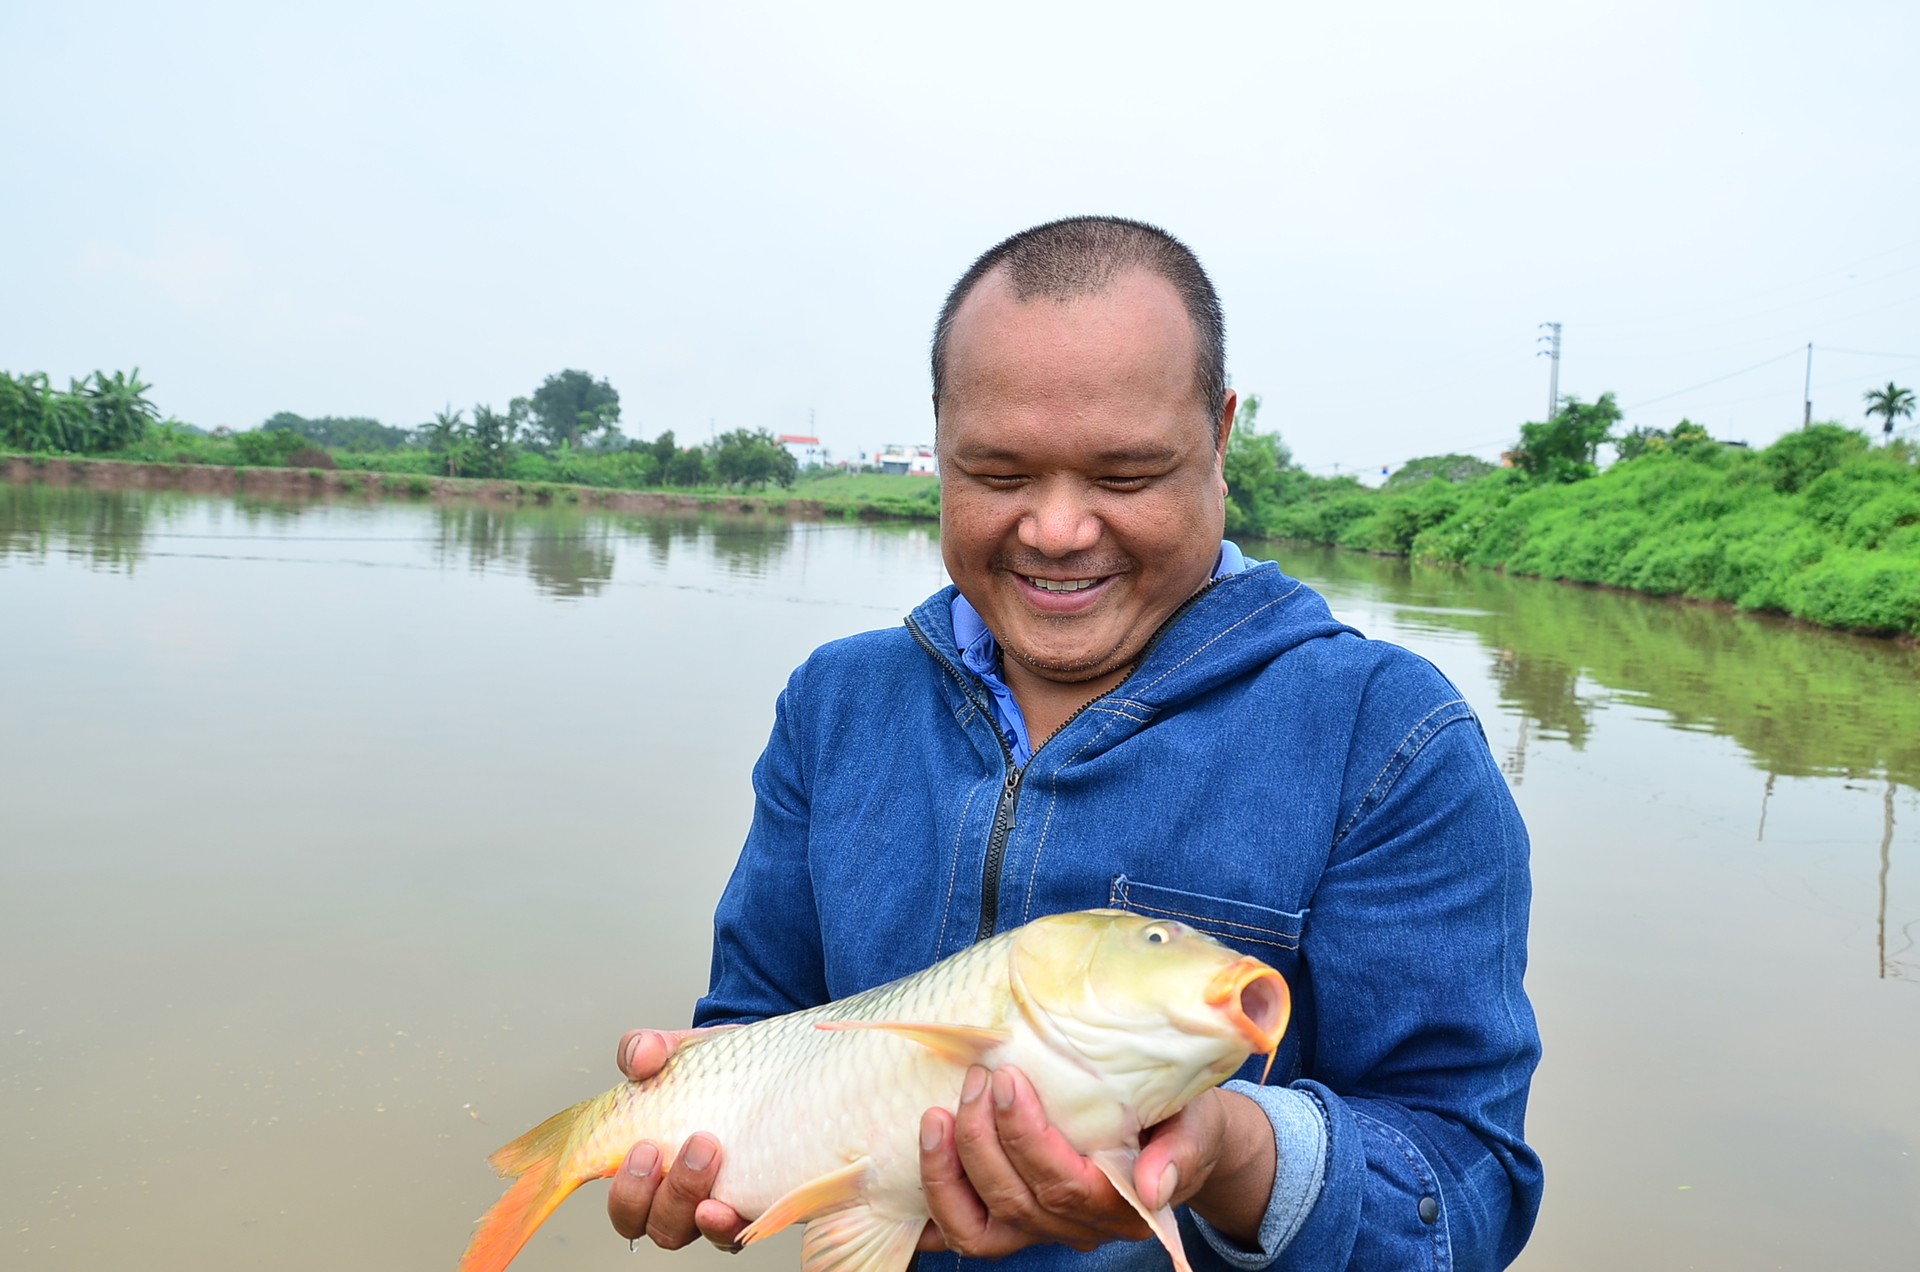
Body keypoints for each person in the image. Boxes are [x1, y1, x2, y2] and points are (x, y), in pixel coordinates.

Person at [605, 217, 1542, 1271]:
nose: (1056, 529)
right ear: (941, 438)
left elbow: (1468, 1189)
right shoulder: (838, 702)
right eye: (999, 474)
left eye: (1127, 476)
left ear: (1220, 436)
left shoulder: (1390, 740)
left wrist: (1235, 1155)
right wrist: (707, 1109)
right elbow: (762, 1018)